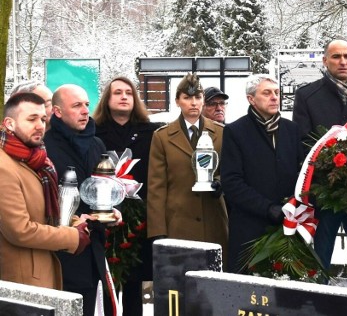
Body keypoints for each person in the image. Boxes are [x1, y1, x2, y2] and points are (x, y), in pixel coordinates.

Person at [292, 38, 347, 316]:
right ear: (325, 61)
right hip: (325, 193)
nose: (342, 61)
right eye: (336, 56)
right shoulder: (307, 95)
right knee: (320, 263)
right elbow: (303, 142)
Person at [0, 93, 90, 289]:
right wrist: (71, 236)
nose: (40, 125)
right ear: (10, 124)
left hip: (40, 273)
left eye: (42, 119)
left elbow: (45, 213)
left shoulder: (37, 160)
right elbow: (19, 231)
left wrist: (75, 222)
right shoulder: (4, 166)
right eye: (31, 119)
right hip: (20, 281)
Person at [44, 84, 120, 316]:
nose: (85, 111)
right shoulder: (45, 147)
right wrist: (74, 219)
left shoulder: (96, 144)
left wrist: (112, 209)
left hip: (94, 245)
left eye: (87, 104)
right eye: (77, 105)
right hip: (60, 249)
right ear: (57, 112)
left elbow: (104, 186)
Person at [221, 75, 304, 273]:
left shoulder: (291, 130)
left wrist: (294, 204)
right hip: (249, 228)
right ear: (251, 99)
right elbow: (232, 182)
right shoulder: (236, 131)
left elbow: (301, 173)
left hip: (287, 226)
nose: (274, 97)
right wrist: (268, 208)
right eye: (266, 93)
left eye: (276, 93)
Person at [93, 76, 161, 316]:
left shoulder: (153, 132)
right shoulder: (93, 131)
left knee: (145, 283)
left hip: (144, 218)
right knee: (108, 281)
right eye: (117, 93)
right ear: (106, 99)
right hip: (106, 217)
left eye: (129, 93)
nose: (124, 97)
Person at [147, 73, 228, 262]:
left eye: (197, 97)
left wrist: (219, 184)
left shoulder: (222, 133)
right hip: (178, 223)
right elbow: (156, 187)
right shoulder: (163, 137)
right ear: (177, 101)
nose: (193, 103)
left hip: (213, 220)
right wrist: (158, 231)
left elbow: (230, 172)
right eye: (187, 97)